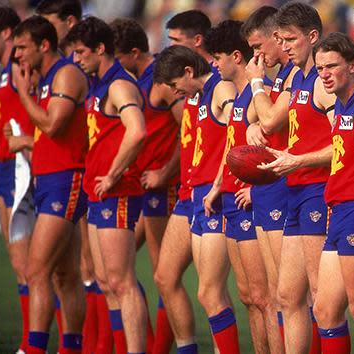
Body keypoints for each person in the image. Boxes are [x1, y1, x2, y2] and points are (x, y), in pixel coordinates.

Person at [253, 3, 337, 352]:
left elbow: (344, 144)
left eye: (291, 39)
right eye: (280, 40)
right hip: (295, 189)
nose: (284, 47)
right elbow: (271, 120)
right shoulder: (296, 77)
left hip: (318, 189)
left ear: (313, 37)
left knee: (321, 296)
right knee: (287, 295)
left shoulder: (322, 80)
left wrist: (299, 160)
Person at [66, 16, 148, 353]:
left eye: (82, 52)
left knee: (122, 281)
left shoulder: (118, 85)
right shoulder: (98, 83)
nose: (76, 59)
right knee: (105, 281)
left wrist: (114, 173)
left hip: (119, 190)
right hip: (99, 191)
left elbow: (138, 130)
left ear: (101, 49)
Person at [154, 43, 240, 353]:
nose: (175, 93)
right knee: (198, 288)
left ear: (189, 72)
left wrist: (220, 181)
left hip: (215, 196)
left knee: (211, 291)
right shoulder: (200, 95)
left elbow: (237, 126)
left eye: (177, 85)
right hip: (197, 193)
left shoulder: (220, 88)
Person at [207, 19, 284, 353]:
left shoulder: (261, 92)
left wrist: (259, 184)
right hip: (231, 197)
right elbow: (234, 149)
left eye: (217, 57)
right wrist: (216, 185)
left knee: (267, 296)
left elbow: (279, 141)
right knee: (249, 296)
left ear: (236, 57)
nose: (212, 64)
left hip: (253, 200)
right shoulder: (241, 97)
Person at [13, 15, 88, 354]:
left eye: (22, 48)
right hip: (52, 179)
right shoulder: (47, 79)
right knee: (65, 275)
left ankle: (34, 349)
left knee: (36, 270)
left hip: (65, 180)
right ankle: (71, 348)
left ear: (44, 45)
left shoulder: (66, 73)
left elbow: (55, 125)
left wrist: (24, 96)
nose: (17, 56)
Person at [111, 17, 185, 354]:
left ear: (134, 53)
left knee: (163, 276)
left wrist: (165, 172)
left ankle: (160, 348)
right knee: (116, 269)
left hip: (161, 185)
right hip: (142, 184)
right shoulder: (136, 79)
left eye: (117, 57)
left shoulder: (162, 81)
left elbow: (189, 133)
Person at [310, 32, 354, 353]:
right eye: (319, 68)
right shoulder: (340, 106)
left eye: (331, 66)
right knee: (324, 310)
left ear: (353, 65)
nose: (323, 74)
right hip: (338, 209)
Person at [151, 10, 217, 354]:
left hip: (213, 193)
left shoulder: (218, 82)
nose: (170, 46)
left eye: (176, 41)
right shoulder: (188, 87)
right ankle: (187, 349)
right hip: (188, 192)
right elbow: (187, 137)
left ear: (197, 42)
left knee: (215, 292)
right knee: (164, 276)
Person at [242, 7, 297, 341]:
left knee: (287, 295)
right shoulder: (280, 77)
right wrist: (253, 122)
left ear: (276, 37)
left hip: (285, 182)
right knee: (276, 295)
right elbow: (255, 115)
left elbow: (272, 120)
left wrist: (256, 82)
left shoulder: (294, 75)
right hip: (268, 183)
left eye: (258, 46)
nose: (257, 55)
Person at [0, 7, 33, 353]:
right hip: (5, 169)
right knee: (17, 263)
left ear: (5, 32)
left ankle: (32, 343)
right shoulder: (6, 72)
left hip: (23, 169)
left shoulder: (20, 70)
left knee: (29, 266)